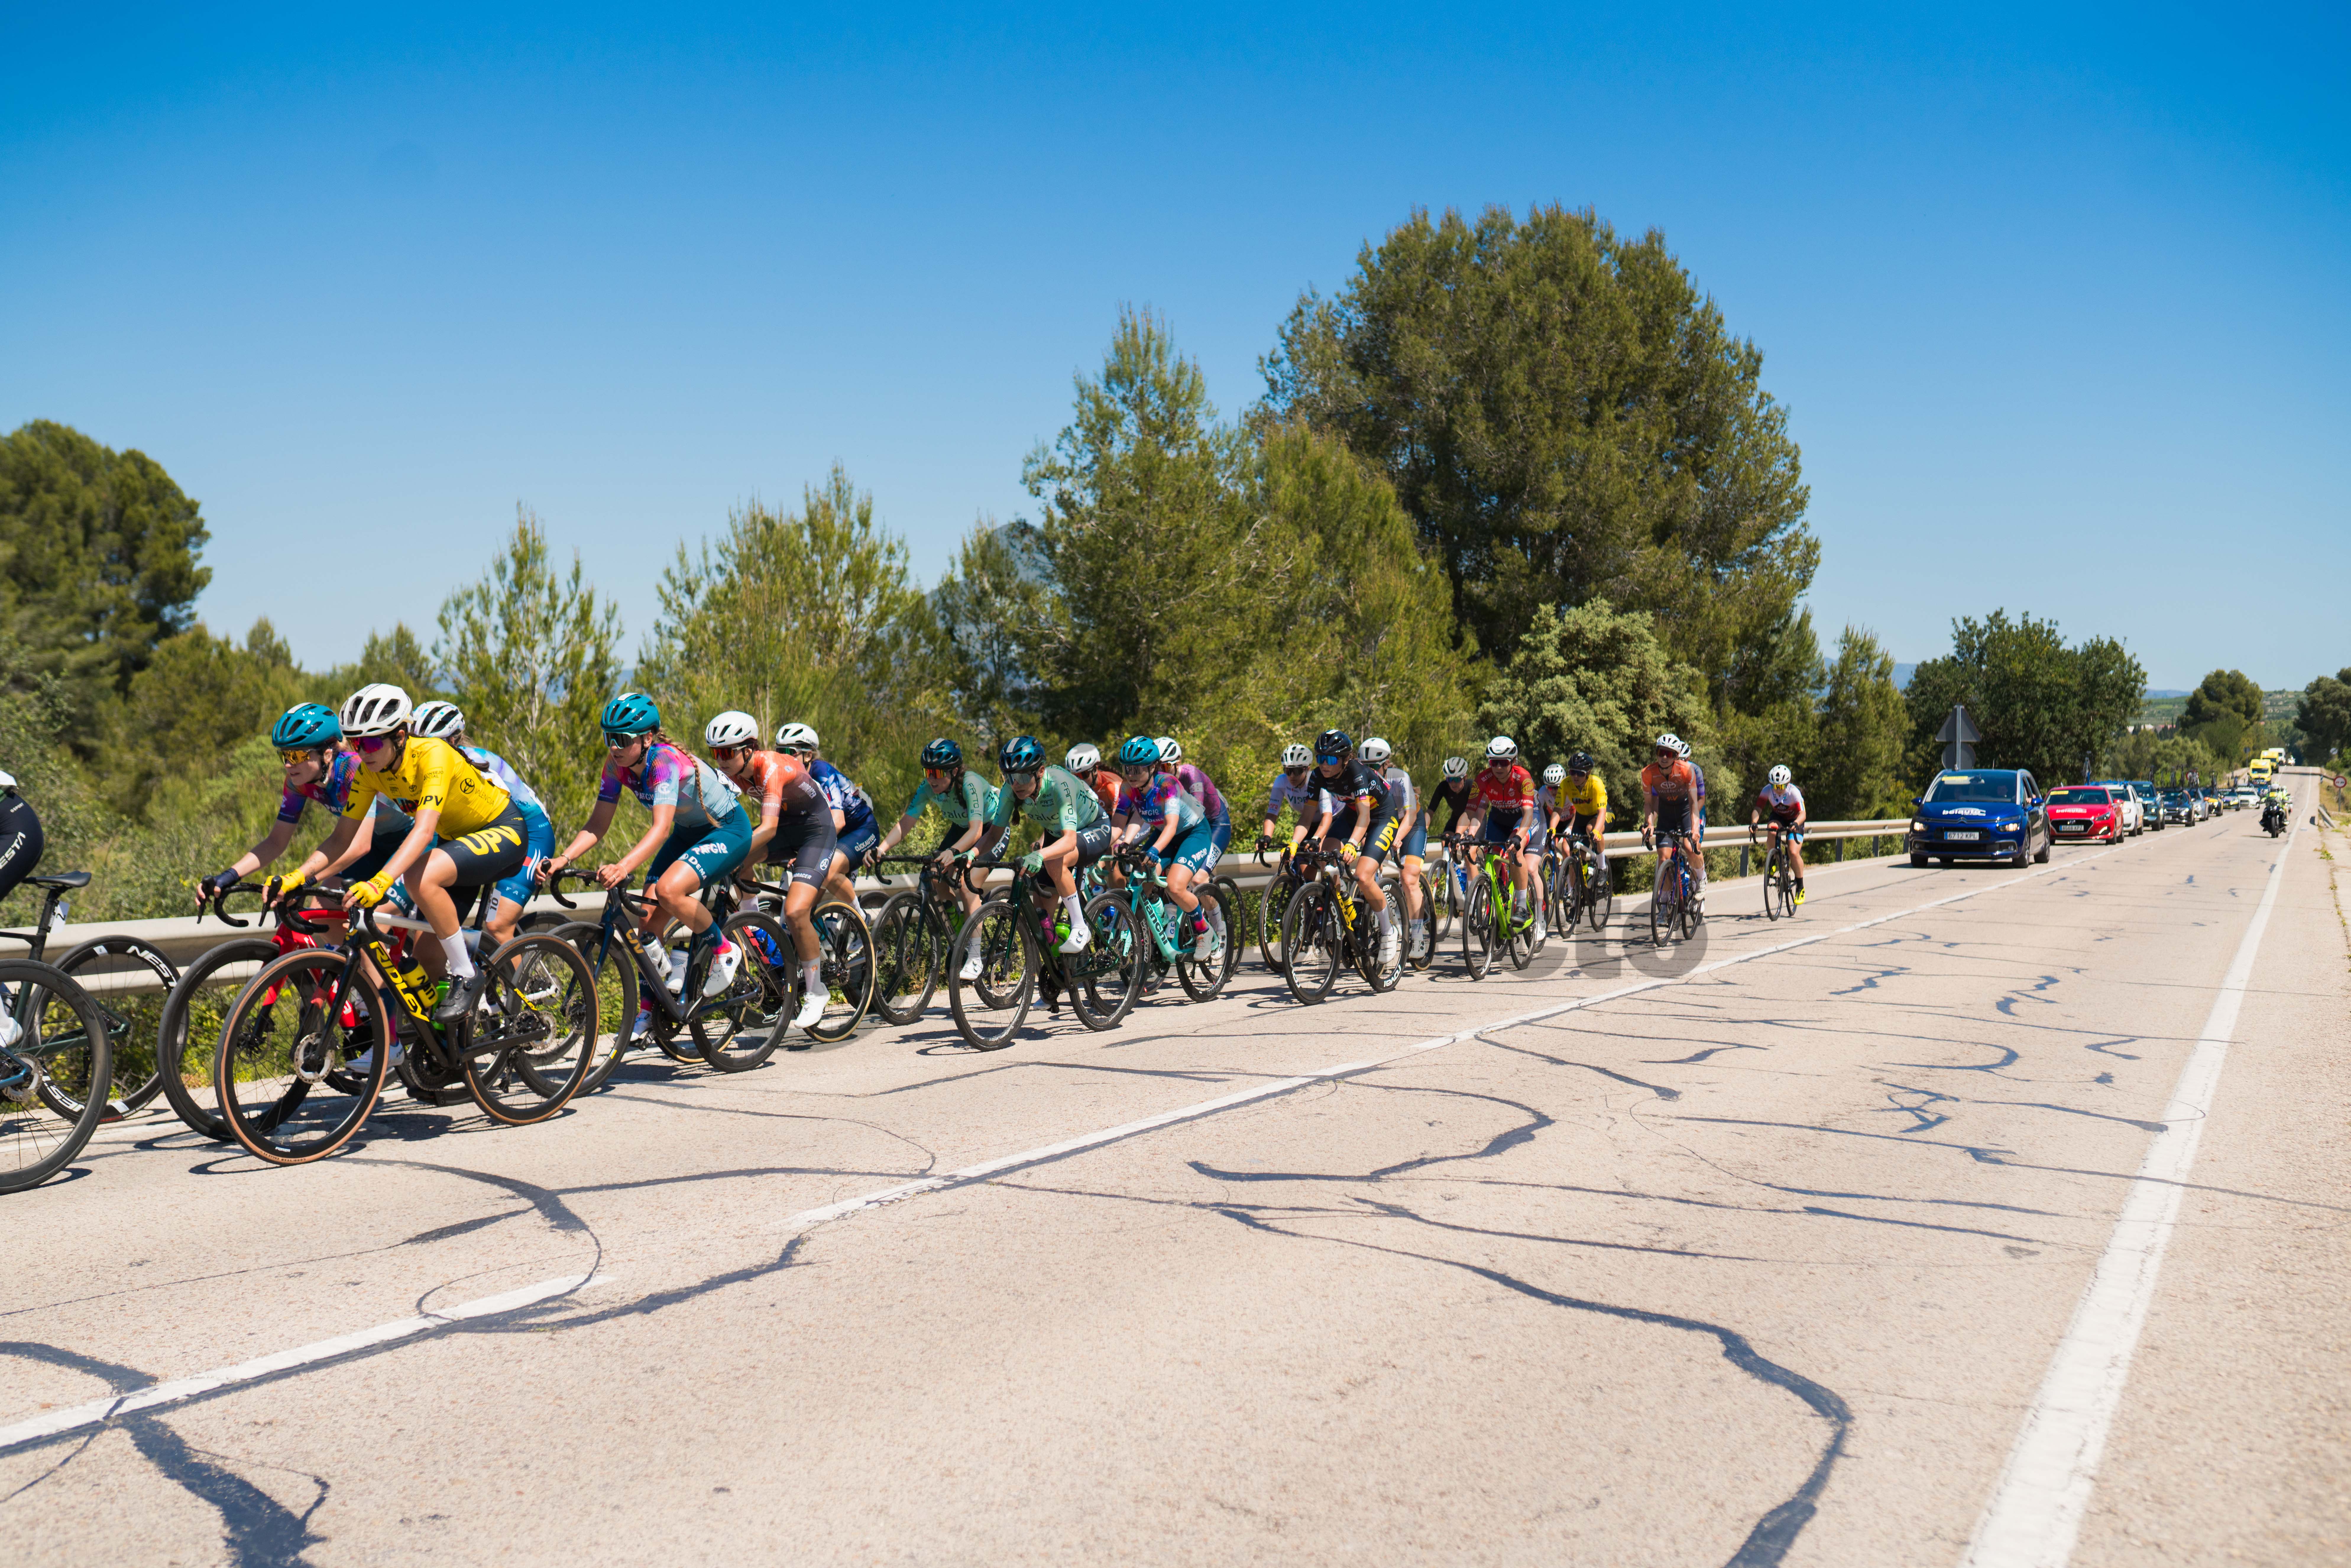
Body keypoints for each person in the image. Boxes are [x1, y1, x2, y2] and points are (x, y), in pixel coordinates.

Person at [300, 684, 530, 1023]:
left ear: (401, 736)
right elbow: (341, 839)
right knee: (426, 956)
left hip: (503, 832)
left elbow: (423, 831)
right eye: (358, 743)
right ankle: (447, 1044)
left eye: (374, 742)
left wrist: (378, 883)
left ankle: (467, 975)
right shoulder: (368, 774)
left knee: (420, 875)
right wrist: (298, 877)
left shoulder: (433, 755)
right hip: (458, 843)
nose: (365, 752)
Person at [542, 693, 765, 1022]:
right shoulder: (616, 766)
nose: (614, 746)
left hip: (726, 830)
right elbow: (598, 824)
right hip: (688, 833)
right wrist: (565, 857)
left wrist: (622, 867)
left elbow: (660, 829)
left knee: (669, 892)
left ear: (647, 738)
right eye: (609, 737)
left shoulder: (663, 762)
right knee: (646, 926)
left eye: (622, 739)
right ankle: (650, 1012)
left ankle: (724, 951)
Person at [197, 702, 418, 918]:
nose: (288, 765)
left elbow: (360, 846)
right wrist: (230, 875)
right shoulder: (298, 782)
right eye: (285, 756)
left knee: (377, 918)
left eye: (297, 756)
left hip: (412, 843)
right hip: (379, 847)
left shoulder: (353, 771)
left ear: (327, 754)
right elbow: (276, 842)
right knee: (321, 911)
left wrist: (303, 880)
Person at [409, 701, 554, 946]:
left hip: (531, 833)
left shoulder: (478, 762)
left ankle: (525, 986)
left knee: (498, 925)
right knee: (429, 940)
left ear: (454, 741)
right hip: (473, 837)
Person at [873, 738, 1004, 979]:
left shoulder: (970, 784)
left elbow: (976, 832)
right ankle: (960, 934)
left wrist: (953, 852)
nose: (931, 778)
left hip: (990, 829)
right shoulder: (927, 787)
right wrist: (882, 849)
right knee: (934, 877)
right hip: (963, 828)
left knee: (967, 884)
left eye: (936, 773)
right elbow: (906, 823)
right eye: (927, 771)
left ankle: (975, 958)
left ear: (954, 771)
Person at [982, 736, 1115, 955]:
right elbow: (993, 835)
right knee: (1040, 915)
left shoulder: (1060, 784)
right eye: (1010, 777)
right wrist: (968, 854)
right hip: (1058, 834)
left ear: (1041, 771)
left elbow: (1070, 840)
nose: (1016, 784)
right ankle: (1057, 962)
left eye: (1023, 776)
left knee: (1053, 863)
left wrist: (1041, 855)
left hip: (1094, 827)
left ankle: (1081, 927)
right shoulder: (1011, 790)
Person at [1112, 734, 1219, 960]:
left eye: (1137, 769)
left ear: (1152, 767)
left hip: (1194, 833)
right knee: (1140, 882)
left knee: (1176, 887)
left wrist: (1154, 851)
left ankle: (1204, 931)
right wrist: (1118, 844)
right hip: (1165, 835)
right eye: (1127, 769)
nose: (1131, 775)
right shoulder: (1128, 788)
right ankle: (1156, 919)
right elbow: (1120, 825)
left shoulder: (1168, 785)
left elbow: (1171, 827)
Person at [1309, 729, 1403, 967]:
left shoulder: (1357, 772)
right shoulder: (1318, 776)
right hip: (1353, 816)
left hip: (1380, 816)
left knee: (1363, 876)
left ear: (1345, 759)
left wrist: (1352, 844)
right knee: (1324, 860)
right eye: (1320, 759)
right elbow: (1306, 817)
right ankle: (1345, 913)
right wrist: (1295, 842)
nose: (1324, 765)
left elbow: (1365, 816)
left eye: (1330, 760)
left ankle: (1387, 929)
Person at [773, 723, 880, 907]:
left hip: (860, 829)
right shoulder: (787, 780)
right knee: (802, 909)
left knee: (828, 871)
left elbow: (838, 821)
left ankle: (862, 919)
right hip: (832, 833)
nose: (784, 759)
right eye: (779, 753)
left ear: (808, 755)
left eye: (790, 753)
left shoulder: (821, 771)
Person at [1461, 735, 1542, 939]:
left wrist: (1518, 838)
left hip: (1524, 818)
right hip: (1499, 819)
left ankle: (1522, 905)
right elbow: (1474, 812)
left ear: (1513, 762)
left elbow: (1528, 814)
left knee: (1516, 850)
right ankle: (1494, 909)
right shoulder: (1483, 779)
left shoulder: (1523, 778)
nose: (1498, 767)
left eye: (1503, 762)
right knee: (1492, 859)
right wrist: (1468, 835)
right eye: (1493, 762)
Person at [1361, 737, 1428, 959]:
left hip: (1410, 825)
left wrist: (1397, 840)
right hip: (1381, 824)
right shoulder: (1361, 782)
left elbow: (1409, 817)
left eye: (1373, 767)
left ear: (1386, 765)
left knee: (1409, 879)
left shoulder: (1400, 778)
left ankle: (1418, 937)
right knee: (1369, 873)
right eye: (1364, 767)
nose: (1368, 771)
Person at [1640, 733, 1707, 908]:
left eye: (1669, 754)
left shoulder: (1687, 771)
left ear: (1676, 757)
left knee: (1688, 847)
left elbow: (1695, 802)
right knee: (1664, 859)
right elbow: (1649, 803)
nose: (1664, 757)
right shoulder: (1648, 773)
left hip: (1685, 810)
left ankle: (1701, 878)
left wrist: (1695, 828)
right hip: (1667, 812)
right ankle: (1665, 903)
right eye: (1661, 752)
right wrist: (1650, 825)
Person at [1750, 764, 1807, 906]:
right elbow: (1758, 808)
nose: (1777, 790)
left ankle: (1800, 887)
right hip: (1779, 817)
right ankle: (1774, 860)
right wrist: (1754, 822)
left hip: (1795, 820)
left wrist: (1796, 824)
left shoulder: (1794, 793)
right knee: (1772, 829)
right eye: (1774, 786)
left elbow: (1803, 814)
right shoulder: (1767, 790)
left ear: (1787, 784)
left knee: (1793, 852)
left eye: (1781, 787)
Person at [1261, 743, 1332, 856]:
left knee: (1322, 855)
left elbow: (1327, 816)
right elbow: (1272, 814)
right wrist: (1267, 838)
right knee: (1302, 863)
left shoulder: (1317, 781)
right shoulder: (1281, 782)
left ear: (1307, 769)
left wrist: (1316, 839)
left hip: (1332, 820)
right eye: (1288, 771)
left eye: (1297, 771)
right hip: (1308, 823)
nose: (1292, 776)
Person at [1557, 751, 1610, 890]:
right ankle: (1574, 891)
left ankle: (1602, 868)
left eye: (1580, 773)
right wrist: (1552, 829)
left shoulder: (1596, 784)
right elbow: (1558, 810)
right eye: (1572, 772)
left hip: (1601, 815)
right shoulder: (1566, 784)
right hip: (1581, 817)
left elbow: (1602, 813)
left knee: (1591, 830)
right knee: (1573, 854)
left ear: (1588, 773)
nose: (1575, 776)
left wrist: (1596, 832)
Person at [1066, 743, 1122, 820]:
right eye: (1075, 777)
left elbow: (1118, 824)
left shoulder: (1111, 785)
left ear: (1095, 770)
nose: (1080, 780)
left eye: (1083, 775)